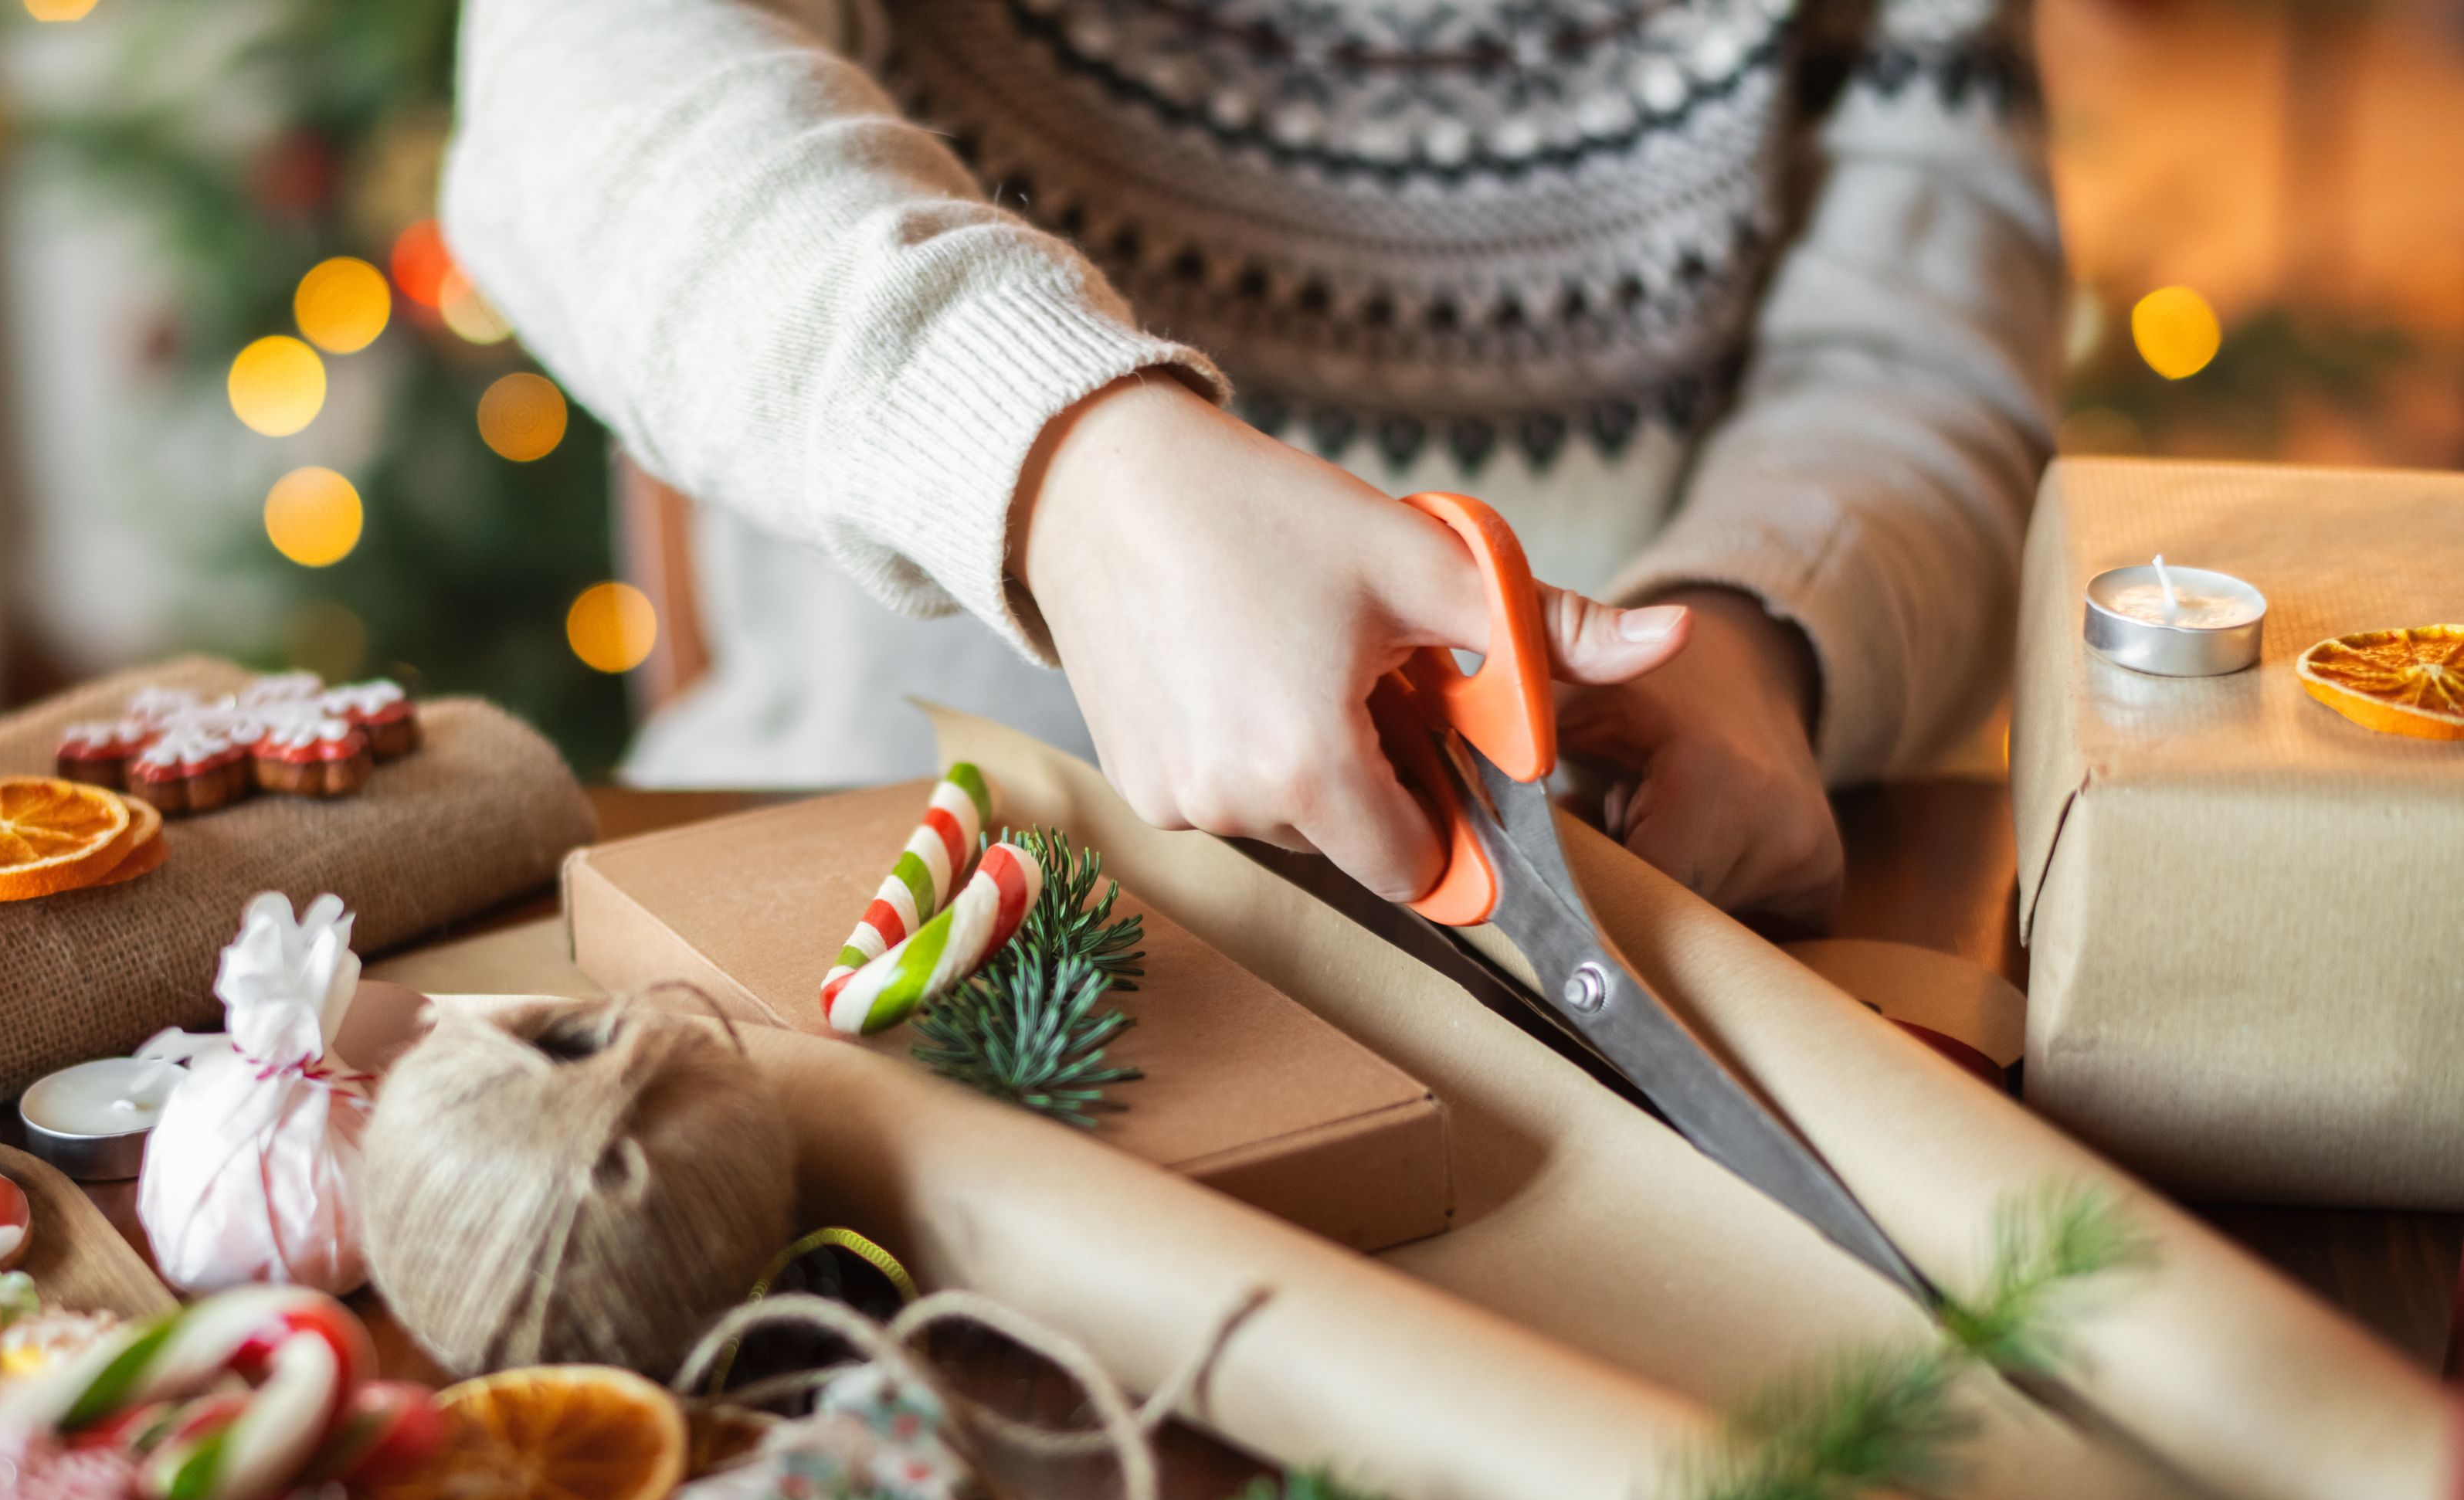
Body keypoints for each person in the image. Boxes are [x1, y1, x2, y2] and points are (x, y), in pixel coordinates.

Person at [443, 0, 2061, 922]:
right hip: (861, 869)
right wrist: (1065, 459)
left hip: (1592, 921)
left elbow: (1917, 359)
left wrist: (1757, 630)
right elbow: (587, 87)